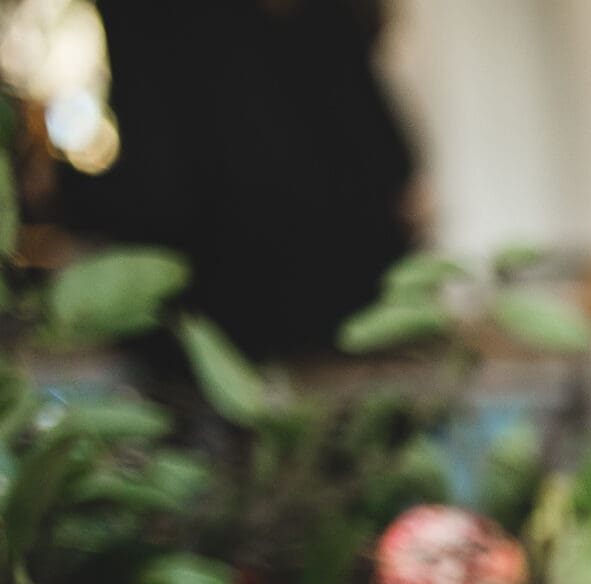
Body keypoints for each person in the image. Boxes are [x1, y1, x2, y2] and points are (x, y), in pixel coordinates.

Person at [59, 0, 416, 360]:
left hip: (288, 328)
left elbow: (390, 164)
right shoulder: (168, 28)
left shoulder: (321, 29)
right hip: (246, 329)